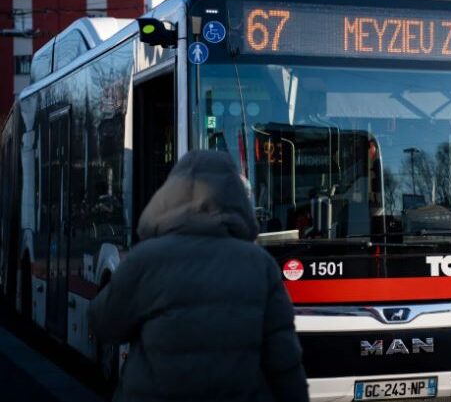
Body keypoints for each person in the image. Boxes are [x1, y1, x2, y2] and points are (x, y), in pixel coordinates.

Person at [88, 150, 309, 402]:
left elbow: (103, 323)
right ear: (236, 198)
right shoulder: (261, 265)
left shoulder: (146, 260)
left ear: (169, 197)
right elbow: (284, 361)